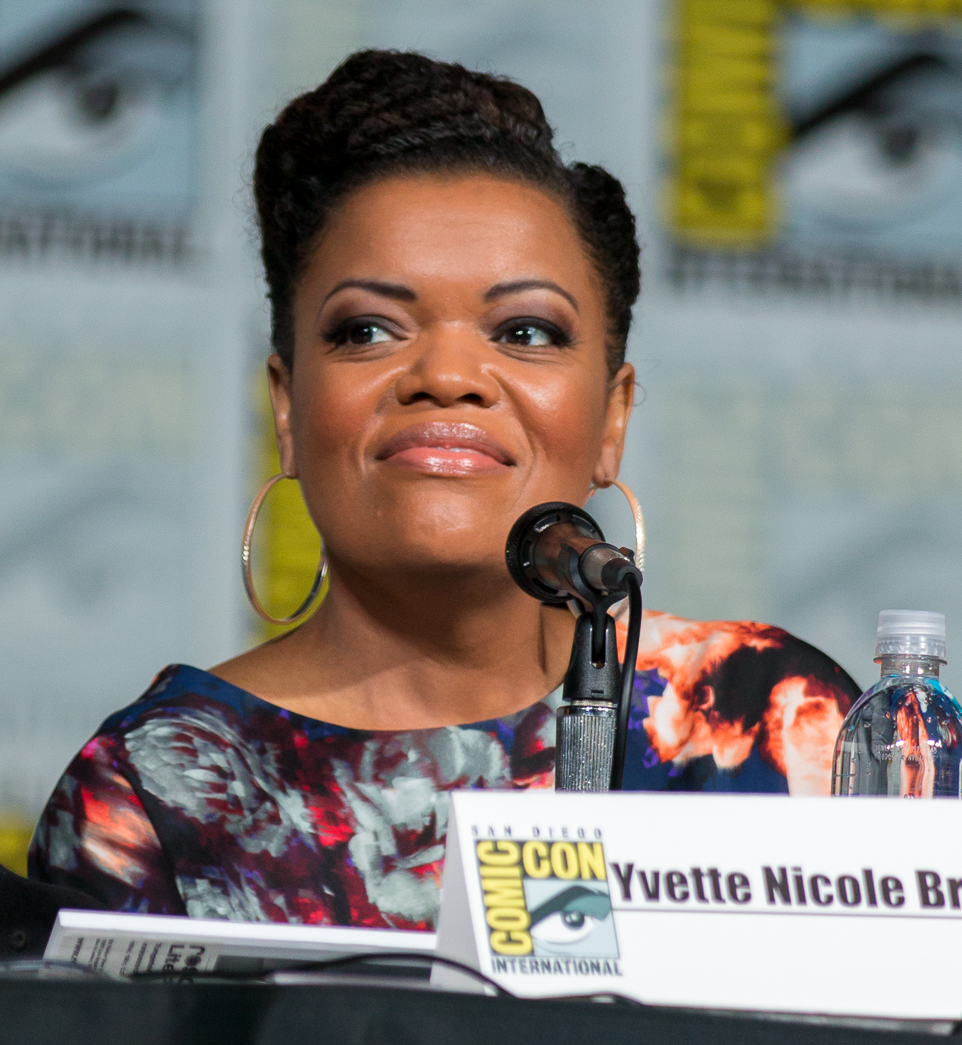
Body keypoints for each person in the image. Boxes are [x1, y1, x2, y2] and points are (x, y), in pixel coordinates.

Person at [30, 50, 859, 926]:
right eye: (368, 329)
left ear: (611, 419)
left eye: (526, 331)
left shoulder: (768, 717)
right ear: (287, 407)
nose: (448, 376)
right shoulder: (152, 792)